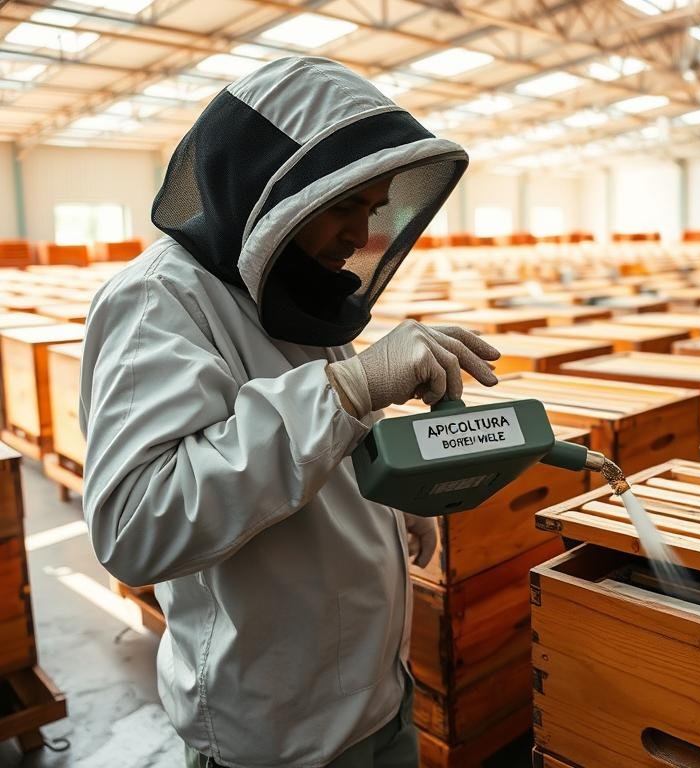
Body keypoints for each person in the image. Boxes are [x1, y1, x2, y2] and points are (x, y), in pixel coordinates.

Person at [78, 56, 500, 768]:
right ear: (269, 188)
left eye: (372, 209)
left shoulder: (291, 286)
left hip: (376, 692)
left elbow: (309, 435)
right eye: (345, 206)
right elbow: (136, 526)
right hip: (275, 734)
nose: (362, 236)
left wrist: (391, 497)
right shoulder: (158, 301)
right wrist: (351, 388)